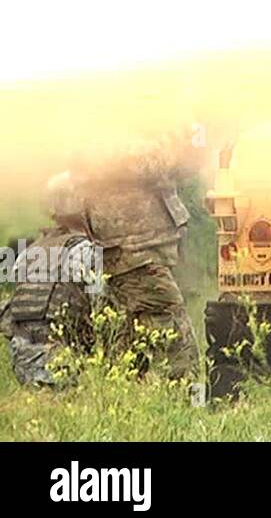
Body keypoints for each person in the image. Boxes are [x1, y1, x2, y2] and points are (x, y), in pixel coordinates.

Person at [52, 135, 202, 377]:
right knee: (174, 334)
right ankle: (190, 405)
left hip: (138, 245)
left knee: (131, 336)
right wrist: (172, 144)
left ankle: (130, 403)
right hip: (135, 246)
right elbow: (156, 162)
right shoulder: (110, 132)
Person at [0, 209, 101, 387]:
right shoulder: (86, 250)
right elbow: (102, 304)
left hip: (22, 359)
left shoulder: (29, 251)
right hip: (63, 357)